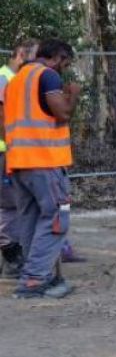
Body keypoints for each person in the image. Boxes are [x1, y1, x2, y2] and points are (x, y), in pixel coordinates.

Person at [4, 39, 80, 298]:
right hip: (44, 161)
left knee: (30, 220)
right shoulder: (46, 76)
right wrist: (73, 94)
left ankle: (38, 275)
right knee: (58, 217)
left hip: (18, 163)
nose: (63, 69)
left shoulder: (15, 81)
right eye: (65, 63)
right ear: (57, 57)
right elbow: (63, 113)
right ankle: (35, 280)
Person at [0, 38, 39, 278]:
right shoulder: (5, 79)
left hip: (14, 150)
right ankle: (11, 254)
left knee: (16, 204)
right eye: (35, 57)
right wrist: (10, 147)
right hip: (5, 151)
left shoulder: (17, 79)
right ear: (21, 55)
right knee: (8, 205)